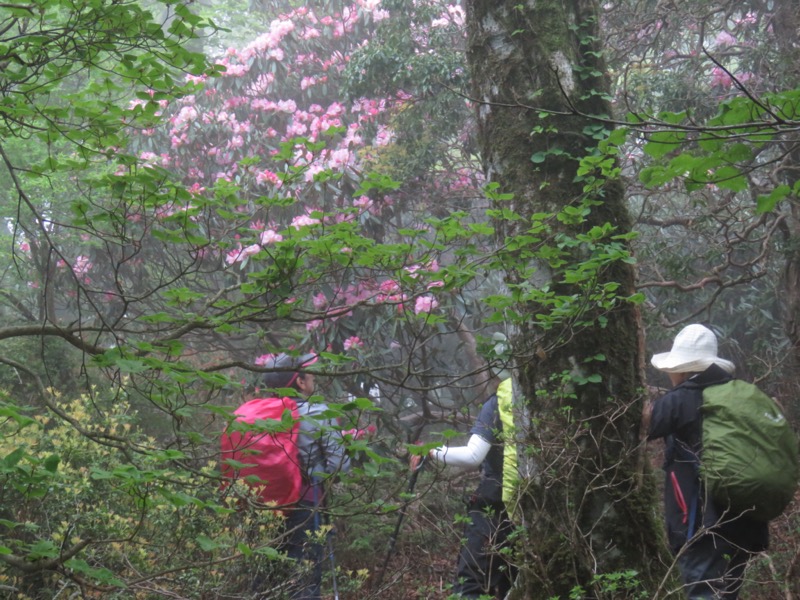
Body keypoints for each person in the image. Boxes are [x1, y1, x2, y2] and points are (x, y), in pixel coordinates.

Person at [646, 324, 769, 599]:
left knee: (703, 592)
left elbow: (635, 429)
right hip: (746, 519)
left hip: (703, 523)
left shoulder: (678, 401)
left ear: (682, 369)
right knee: (727, 593)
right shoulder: (741, 395)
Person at [411, 379, 516, 599]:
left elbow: (473, 455)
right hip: (530, 504)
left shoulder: (502, 399)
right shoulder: (542, 397)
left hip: (493, 504)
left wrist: (431, 450)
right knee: (514, 582)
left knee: (470, 583)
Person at [261, 352, 351, 600]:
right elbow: (338, 466)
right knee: (305, 580)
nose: (313, 379)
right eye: (310, 375)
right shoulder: (318, 412)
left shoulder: (258, 416)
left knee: (265, 579)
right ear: (300, 382)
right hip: (305, 506)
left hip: (260, 507)